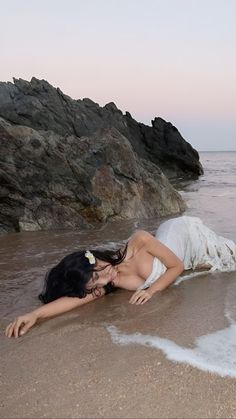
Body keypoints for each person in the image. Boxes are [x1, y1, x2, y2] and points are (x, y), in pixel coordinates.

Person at [5, 216, 236, 339]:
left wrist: (151, 290)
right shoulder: (107, 283)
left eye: (98, 272)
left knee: (230, 253)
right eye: (95, 283)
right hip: (182, 253)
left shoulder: (140, 241)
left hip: (184, 234)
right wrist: (34, 314)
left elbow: (176, 266)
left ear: (93, 257)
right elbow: (74, 301)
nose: (104, 278)